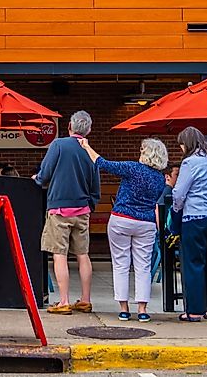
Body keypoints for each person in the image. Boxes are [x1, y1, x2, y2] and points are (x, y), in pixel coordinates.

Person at [79, 136, 168, 322]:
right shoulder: (160, 179)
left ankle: (124, 308)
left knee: (121, 264)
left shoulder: (132, 168)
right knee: (143, 266)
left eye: (143, 150)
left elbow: (102, 163)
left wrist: (87, 146)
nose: (140, 153)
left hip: (122, 219)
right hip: (146, 223)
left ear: (147, 154)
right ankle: (142, 309)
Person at [33, 110, 100, 315]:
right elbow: (95, 185)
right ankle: (85, 300)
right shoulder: (90, 151)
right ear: (88, 130)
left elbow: (44, 174)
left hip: (60, 209)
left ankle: (63, 301)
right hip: (83, 209)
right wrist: (90, 204)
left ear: (69, 126)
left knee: (59, 254)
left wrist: (37, 178)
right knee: (83, 254)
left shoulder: (59, 145)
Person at [172, 126, 207, 323]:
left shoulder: (189, 162)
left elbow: (179, 194)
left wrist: (176, 210)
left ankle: (194, 310)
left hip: (195, 218)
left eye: (180, 144)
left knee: (194, 264)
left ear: (186, 143)